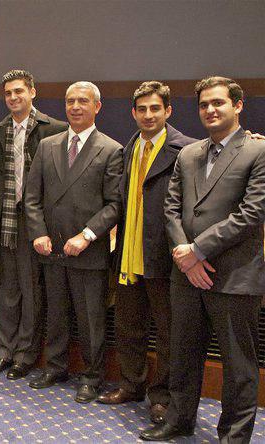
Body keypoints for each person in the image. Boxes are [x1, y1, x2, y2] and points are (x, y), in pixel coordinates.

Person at [140, 77, 265, 442]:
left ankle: (234, 436)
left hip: (233, 276)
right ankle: (178, 421)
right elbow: (171, 209)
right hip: (186, 276)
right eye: (204, 104)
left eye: (218, 103)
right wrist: (185, 256)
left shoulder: (258, 151)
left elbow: (251, 213)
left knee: (238, 367)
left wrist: (197, 250)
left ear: (237, 106)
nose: (210, 110)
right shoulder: (189, 154)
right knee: (183, 354)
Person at [96, 82, 195, 423]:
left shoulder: (187, 150)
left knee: (168, 334)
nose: (148, 115)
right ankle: (131, 385)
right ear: (133, 113)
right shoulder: (129, 149)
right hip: (128, 254)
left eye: (155, 108)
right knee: (129, 327)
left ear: (168, 111)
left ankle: (162, 398)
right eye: (142, 109)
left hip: (164, 258)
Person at [25, 82, 123, 403]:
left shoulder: (111, 149)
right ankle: (56, 367)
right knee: (56, 313)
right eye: (70, 101)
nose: (76, 106)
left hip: (88, 251)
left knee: (90, 319)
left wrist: (87, 235)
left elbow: (114, 204)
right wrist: (38, 232)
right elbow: (32, 197)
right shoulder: (48, 146)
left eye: (83, 101)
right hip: (51, 248)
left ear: (97, 106)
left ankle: (92, 377)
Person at [0, 69, 67, 379]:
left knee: (32, 294)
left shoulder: (54, 130)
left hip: (36, 225)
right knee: (7, 292)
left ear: (32, 92)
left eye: (19, 91)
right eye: (8, 93)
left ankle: (25, 355)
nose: (13, 97)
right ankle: (4, 352)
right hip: (4, 221)